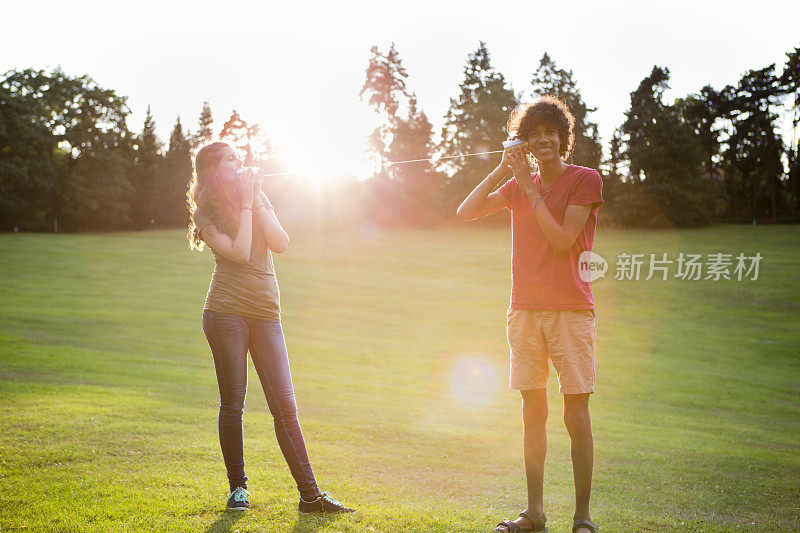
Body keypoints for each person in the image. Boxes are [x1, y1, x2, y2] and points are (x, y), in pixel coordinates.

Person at [457, 96, 603, 533]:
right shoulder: (517, 182)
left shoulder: (585, 180)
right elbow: (465, 212)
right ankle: (534, 514)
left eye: (549, 133)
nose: (542, 140)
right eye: (532, 134)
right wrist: (504, 168)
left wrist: (529, 184)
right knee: (532, 413)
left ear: (563, 139)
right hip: (524, 311)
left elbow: (562, 241)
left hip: (571, 312)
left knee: (574, 415)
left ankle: (582, 517)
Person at [187, 141, 354, 514]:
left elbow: (280, 243)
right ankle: (238, 490)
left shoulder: (257, 197)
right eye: (230, 159)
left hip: (267, 314)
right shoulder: (205, 214)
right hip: (225, 313)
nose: (239, 162)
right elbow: (241, 251)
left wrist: (257, 198)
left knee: (286, 407)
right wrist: (247, 203)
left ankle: (310, 496)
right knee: (234, 404)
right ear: (214, 170)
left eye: (238, 157)